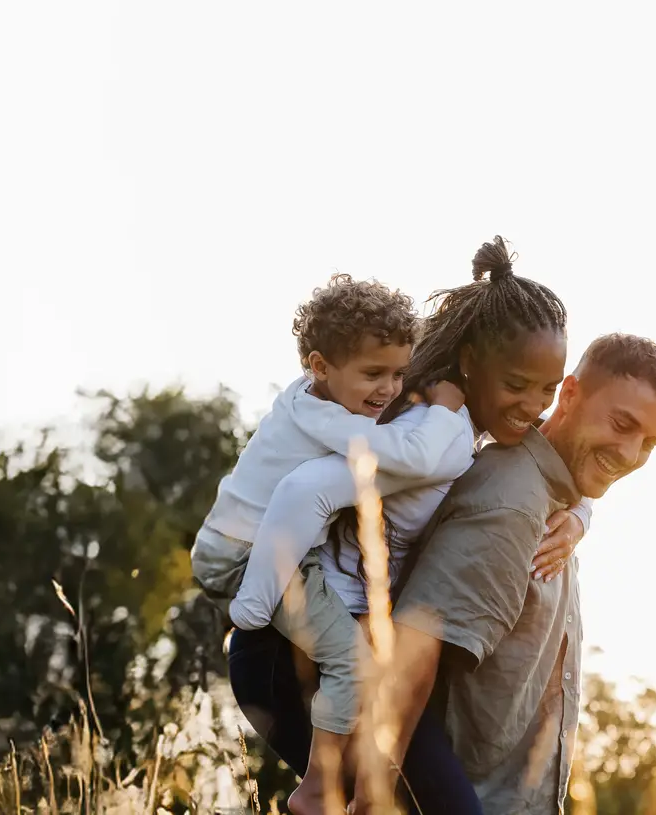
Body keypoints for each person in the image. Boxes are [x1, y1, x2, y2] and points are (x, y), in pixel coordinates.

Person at [228, 237, 595, 813]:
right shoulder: (429, 432)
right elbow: (306, 488)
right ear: (471, 362)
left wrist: (579, 514)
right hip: (296, 652)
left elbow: (548, 472)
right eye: (517, 385)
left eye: (548, 388)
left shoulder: (464, 426)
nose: (535, 405)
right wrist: (253, 598)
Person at [358, 332, 656, 814]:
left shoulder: (560, 498)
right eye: (622, 424)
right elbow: (406, 663)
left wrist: (581, 515)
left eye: (650, 443)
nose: (630, 454)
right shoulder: (512, 503)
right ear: (569, 393)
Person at [191, 273, 477, 815]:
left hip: (264, 546)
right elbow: (406, 455)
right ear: (319, 367)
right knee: (354, 663)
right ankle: (317, 791)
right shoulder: (323, 418)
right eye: (373, 373)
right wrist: (445, 410)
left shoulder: (313, 400)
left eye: (398, 373)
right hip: (244, 557)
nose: (389, 389)